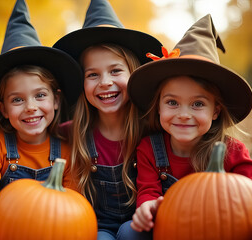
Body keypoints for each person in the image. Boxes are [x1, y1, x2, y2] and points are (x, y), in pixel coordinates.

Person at [127, 14, 252, 234]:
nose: (184, 114)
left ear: (215, 111)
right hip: (171, 230)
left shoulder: (231, 151)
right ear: (158, 107)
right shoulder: (149, 149)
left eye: (197, 104)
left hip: (221, 230)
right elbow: (148, 190)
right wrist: (147, 207)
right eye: (172, 102)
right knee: (130, 231)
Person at [53, 0, 162, 239]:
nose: (105, 82)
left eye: (115, 71)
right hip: (95, 226)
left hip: (144, 224)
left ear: (133, 74)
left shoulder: (152, 128)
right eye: (93, 74)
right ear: (82, 84)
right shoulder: (71, 132)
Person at [0, 0, 83, 223]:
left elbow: (73, 200)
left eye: (40, 95)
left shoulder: (66, 150)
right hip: (6, 225)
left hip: (52, 228)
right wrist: (15, 209)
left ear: (56, 100)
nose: (30, 107)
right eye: (17, 99)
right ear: (3, 109)